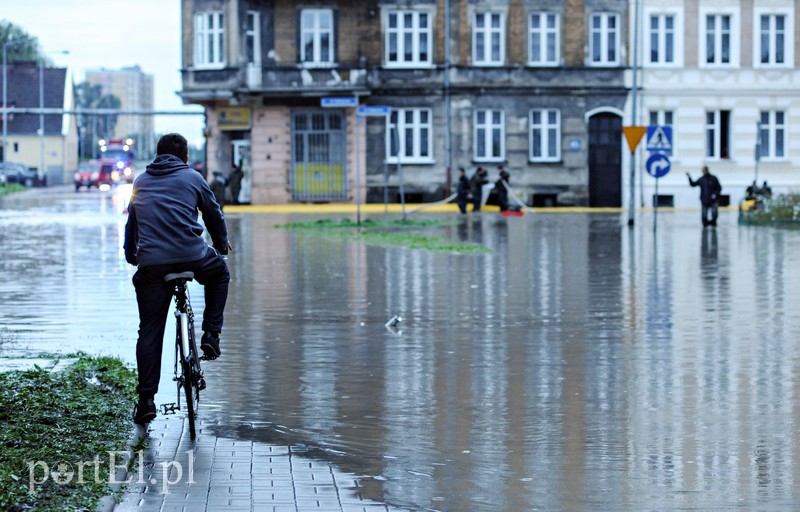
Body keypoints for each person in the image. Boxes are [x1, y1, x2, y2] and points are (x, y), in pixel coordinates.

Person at [124, 133, 232, 425]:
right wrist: (221, 245)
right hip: (193, 256)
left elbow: (132, 226)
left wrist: (132, 255)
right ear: (185, 157)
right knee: (219, 273)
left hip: (152, 265)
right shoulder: (193, 178)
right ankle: (211, 335)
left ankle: (146, 401)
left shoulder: (141, 182)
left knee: (149, 330)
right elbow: (213, 214)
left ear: (157, 155)